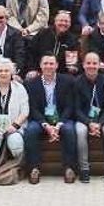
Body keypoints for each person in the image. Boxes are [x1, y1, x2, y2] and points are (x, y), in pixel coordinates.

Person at [23, 55, 78, 184]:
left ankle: (69, 168)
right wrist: (46, 125)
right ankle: (34, 169)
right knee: (31, 131)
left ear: (57, 65)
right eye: (45, 63)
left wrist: (58, 125)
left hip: (62, 118)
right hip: (40, 119)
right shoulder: (32, 84)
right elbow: (33, 108)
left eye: (51, 63)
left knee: (69, 130)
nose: (48, 66)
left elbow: (70, 106)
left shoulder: (67, 81)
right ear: (41, 65)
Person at [73, 52, 104, 183]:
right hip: (83, 119)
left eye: (94, 63)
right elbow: (76, 108)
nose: (91, 66)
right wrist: (89, 123)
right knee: (80, 132)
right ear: (83, 65)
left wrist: (100, 123)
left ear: (99, 65)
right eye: (88, 63)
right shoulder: (76, 82)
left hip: (103, 118)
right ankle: (84, 169)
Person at [29, 11, 80, 77]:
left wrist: (73, 68)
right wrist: (32, 69)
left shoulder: (72, 40)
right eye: (61, 20)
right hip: (40, 71)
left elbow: (71, 64)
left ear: (70, 24)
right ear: (55, 21)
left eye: (66, 21)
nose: (63, 23)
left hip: (61, 75)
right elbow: (31, 52)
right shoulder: (43, 34)